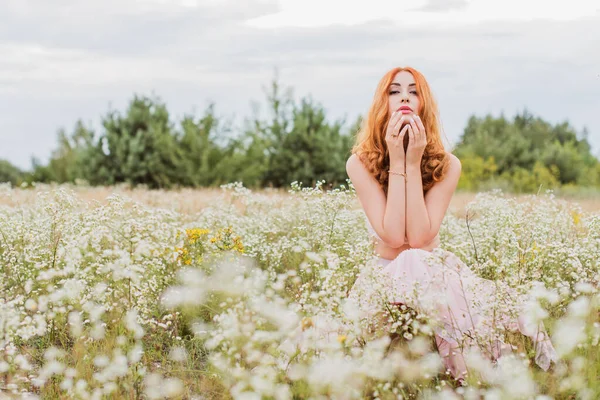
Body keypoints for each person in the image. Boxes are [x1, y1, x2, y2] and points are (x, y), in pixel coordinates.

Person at [345, 66, 558, 383]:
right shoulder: (359, 162)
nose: (404, 95)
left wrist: (412, 161)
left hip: (433, 273)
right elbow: (392, 236)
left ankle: (470, 381)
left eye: (414, 90)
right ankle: (461, 379)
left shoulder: (448, 164)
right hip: (384, 274)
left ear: (424, 103)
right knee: (408, 261)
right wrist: (396, 158)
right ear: (382, 103)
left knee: (418, 259)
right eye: (394, 90)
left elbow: (417, 239)